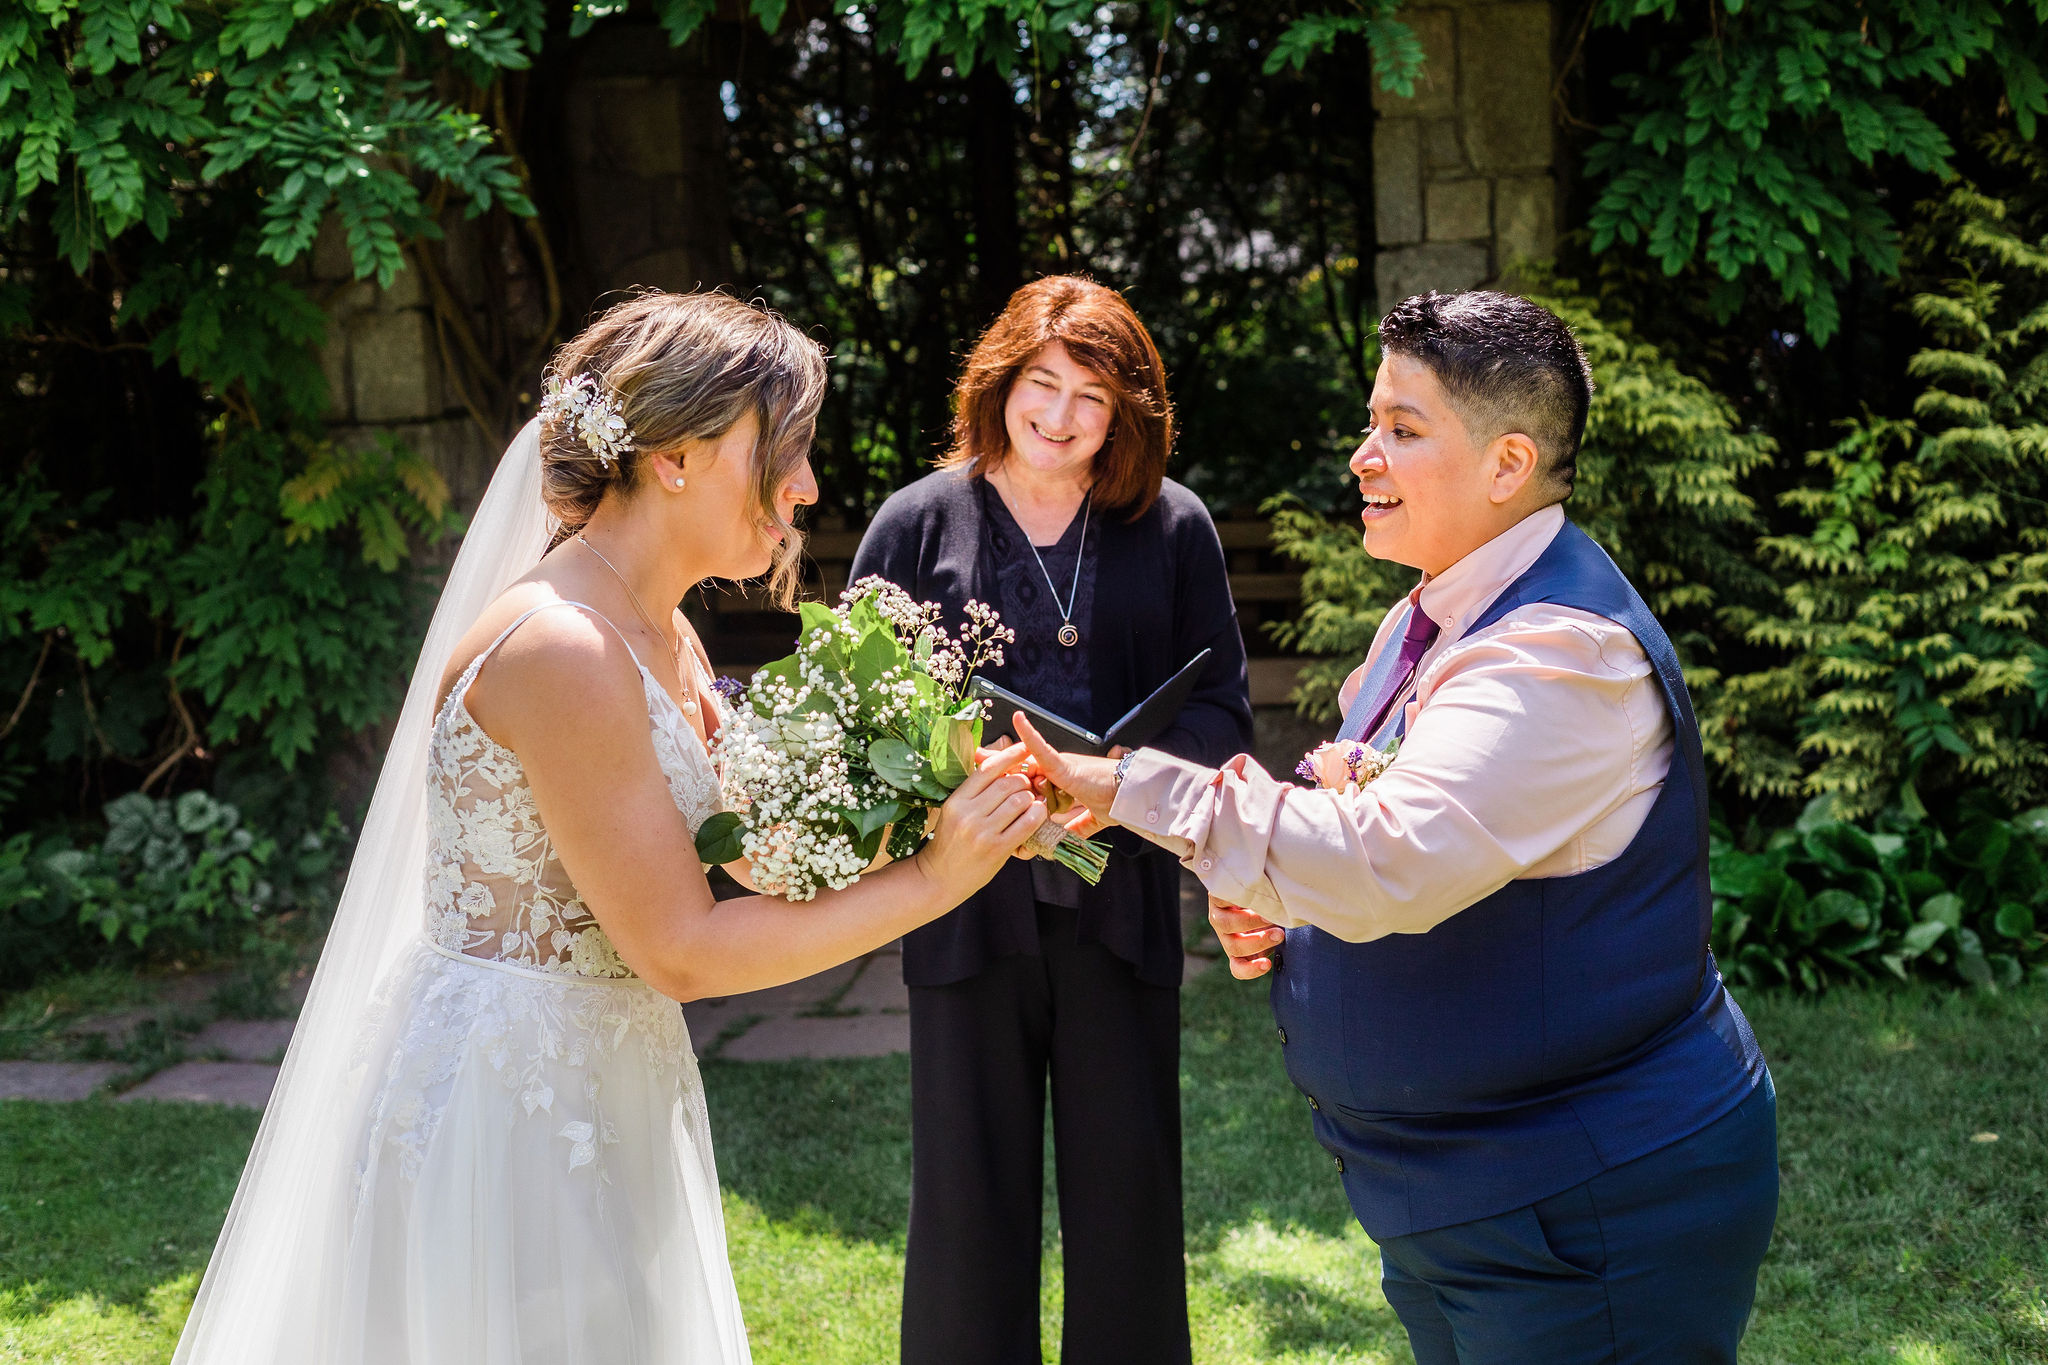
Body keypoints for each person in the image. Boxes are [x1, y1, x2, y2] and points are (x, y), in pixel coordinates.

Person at [171, 292, 1049, 1365]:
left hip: (612, 1078)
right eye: (783, 450)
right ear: (676, 456)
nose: (806, 485)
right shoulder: (564, 650)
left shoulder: (664, 635)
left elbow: (753, 853)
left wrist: (939, 808)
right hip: (513, 1115)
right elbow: (679, 947)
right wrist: (933, 884)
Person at [1018, 290, 1778, 1365]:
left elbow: (1389, 857)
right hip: (1466, 1199)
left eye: (1401, 431)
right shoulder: (1428, 615)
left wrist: (1127, 787)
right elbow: (1359, 815)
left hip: (1584, 1202)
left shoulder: (1559, 656)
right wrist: (1280, 905)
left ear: (1507, 464)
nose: (1361, 457)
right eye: (1371, 423)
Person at [850, 274, 1254, 1365]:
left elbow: (1220, 705)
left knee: (1126, 1200)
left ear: (1128, 410)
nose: (1061, 415)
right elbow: (856, 711)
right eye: (1041, 384)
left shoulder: (1171, 525)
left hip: (1119, 902)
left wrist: (1115, 776)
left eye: (1091, 394)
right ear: (999, 382)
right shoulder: (913, 521)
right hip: (961, 904)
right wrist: (958, 778)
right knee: (965, 1204)